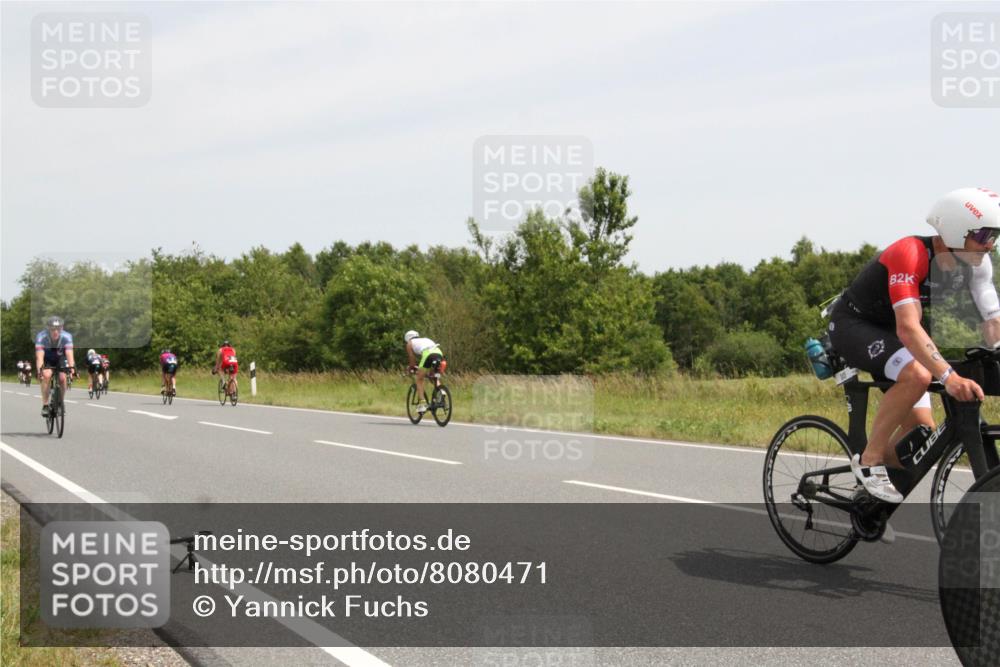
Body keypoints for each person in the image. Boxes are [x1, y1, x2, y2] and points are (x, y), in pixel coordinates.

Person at [829, 187, 1000, 503]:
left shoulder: (978, 264)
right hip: (855, 325)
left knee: (919, 431)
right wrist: (949, 377)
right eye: (983, 234)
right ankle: (868, 463)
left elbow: (994, 323)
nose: (990, 244)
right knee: (918, 375)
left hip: (894, 331)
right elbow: (909, 328)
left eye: (995, 235)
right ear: (953, 229)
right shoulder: (910, 253)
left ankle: (868, 505)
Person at [34, 316, 76, 416]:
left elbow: (70, 355)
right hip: (47, 359)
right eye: (53, 329)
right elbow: (39, 357)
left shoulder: (67, 336)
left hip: (61, 358)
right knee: (47, 375)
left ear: (62, 328)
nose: (55, 332)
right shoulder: (41, 337)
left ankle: (61, 402)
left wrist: (72, 369)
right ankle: (45, 405)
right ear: (48, 328)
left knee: (62, 378)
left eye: (58, 329)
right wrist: (40, 371)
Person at [404, 330, 445, 413]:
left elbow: (412, 359)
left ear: (407, 338)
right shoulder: (426, 339)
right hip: (439, 353)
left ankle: (422, 404)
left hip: (428, 354)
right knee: (434, 376)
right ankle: (441, 392)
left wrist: (411, 368)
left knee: (419, 379)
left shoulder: (409, 343)